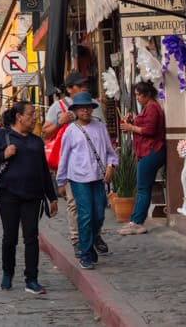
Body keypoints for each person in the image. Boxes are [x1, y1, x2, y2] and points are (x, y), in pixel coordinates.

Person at [0, 101, 58, 295]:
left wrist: (52, 197)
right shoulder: (2, 135)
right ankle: (8, 273)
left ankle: (31, 279)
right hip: (8, 195)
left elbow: (44, 171)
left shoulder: (36, 141)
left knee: (31, 238)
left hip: (33, 196)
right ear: (19, 116)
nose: (34, 118)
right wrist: (4, 154)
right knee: (10, 237)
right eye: (31, 114)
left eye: (35, 115)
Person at [42, 71, 108, 253]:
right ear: (69, 89)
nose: (83, 87)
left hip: (95, 165)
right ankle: (77, 239)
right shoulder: (58, 106)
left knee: (99, 206)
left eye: (84, 84)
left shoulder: (94, 105)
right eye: (79, 85)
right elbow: (45, 133)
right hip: (71, 164)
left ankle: (95, 234)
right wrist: (60, 122)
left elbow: (103, 132)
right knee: (74, 204)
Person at [56, 92, 118, 270]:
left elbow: (109, 152)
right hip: (78, 179)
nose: (85, 110)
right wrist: (61, 181)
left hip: (98, 178)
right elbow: (64, 157)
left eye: (88, 107)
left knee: (99, 214)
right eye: (81, 107)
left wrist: (110, 166)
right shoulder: (70, 131)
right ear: (75, 110)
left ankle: (92, 240)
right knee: (85, 215)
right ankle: (85, 252)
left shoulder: (99, 127)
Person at [118, 79, 166, 235]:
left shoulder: (152, 108)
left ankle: (137, 222)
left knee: (143, 188)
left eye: (138, 95)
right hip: (148, 151)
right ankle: (135, 220)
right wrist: (132, 122)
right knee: (143, 188)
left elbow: (150, 130)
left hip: (151, 151)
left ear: (147, 95)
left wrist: (131, 127)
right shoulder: (149, 107)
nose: (137, 98)